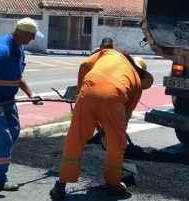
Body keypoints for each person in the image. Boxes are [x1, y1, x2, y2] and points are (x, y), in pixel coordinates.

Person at [49, 49, 154, 200]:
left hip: (88, 91)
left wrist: (80, 91)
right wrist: (113, 132)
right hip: (114, 98)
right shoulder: (137, 84)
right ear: (141, 73)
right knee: (116, 144)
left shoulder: (109, 53)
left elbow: (85, 64)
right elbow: (126, 115)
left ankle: (61, 185)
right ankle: (113, 184)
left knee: (75, 139)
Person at [0, 17, 44, 191]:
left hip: (8, 101)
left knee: (13, 132)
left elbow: (17, 77)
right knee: (3, 139)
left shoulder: (18, 49)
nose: (33, 39)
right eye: (31, 35)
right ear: (22, 33)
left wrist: (31, 94)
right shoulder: (1, 49)